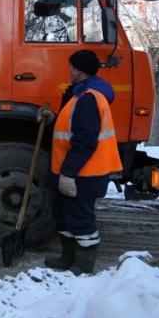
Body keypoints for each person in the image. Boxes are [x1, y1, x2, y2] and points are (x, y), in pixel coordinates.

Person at [45, 49, 122, 275]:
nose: (69, 71)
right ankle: (67, 258)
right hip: (73, 171)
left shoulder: (88, 99)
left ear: (78, 70)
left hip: (83, 174)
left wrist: (69, 173)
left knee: (80, 219)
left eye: (71, 68)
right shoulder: (80, 95)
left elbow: (85, 141)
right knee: (63, 215)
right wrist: (52, 119)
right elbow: (70, 129)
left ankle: (84, 265)